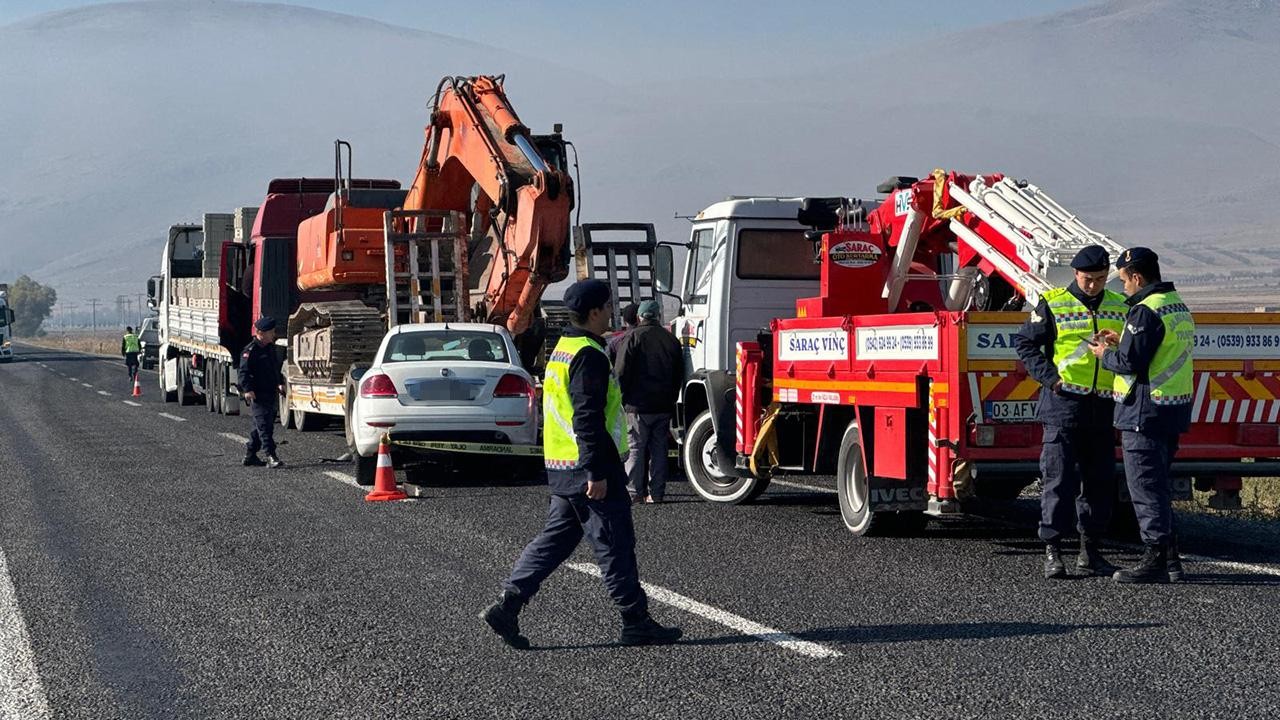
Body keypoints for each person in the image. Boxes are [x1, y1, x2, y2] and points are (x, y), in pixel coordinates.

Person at [481, 279, 681, 649]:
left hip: (562, 468)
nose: (611, 312)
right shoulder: (588, 354)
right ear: (593, 313)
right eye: (607, 306)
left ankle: (508, 607)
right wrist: (596, 472)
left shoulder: (565, 348)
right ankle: (635, 621)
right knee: (615, 544)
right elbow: (586, 418)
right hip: (589, 469)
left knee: (553, 543)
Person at [1014, 246, 1128, 579]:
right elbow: (1025, 343)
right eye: (1087, 279)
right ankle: (1053, 550)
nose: (1093, 285)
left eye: (1100, 279)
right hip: (1063, 405)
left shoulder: (1120, 306)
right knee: (1058, 480)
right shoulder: (1054, 302)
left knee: (1099, 483)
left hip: (1103, 406)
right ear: (1076, 274)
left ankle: (1090, 552)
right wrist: (1050, 379)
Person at [1090, 247, 1194, 584]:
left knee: (1145, 488)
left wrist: (1106, 354)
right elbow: (1157, 352)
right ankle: (1172, 559)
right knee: (1159, 486)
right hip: (1171, 409)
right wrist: (1124, 342)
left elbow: (1130, 363)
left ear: (1136, 277)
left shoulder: (1145, 312)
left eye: (1123, 281)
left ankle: (1155, 560)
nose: (1123, 289)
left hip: (1143, 411)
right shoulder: (1176, 306)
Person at [614, 299, 683, 504]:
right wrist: (671, 398)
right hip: (663, 406)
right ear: (658, 316)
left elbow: (621, 372)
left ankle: (634, 493)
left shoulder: (633, 337)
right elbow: (679, 374)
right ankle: (657, 493)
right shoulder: (671, 340)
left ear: (639, 317)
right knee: (659, 450)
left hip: (636, 406)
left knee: (635, 448)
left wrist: (621, 399)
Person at [238, 317, 286, 469]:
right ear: (260, 333)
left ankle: (250, 455)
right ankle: (271, 455)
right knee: (264, 427)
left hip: (270, 391)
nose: (273, 335)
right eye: (270, 332)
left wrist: (279, 383)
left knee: (261, 426)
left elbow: (274, 368)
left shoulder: (269, 348)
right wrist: (247, 390)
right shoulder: (250, 350)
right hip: (257, 394)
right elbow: (243, 372)